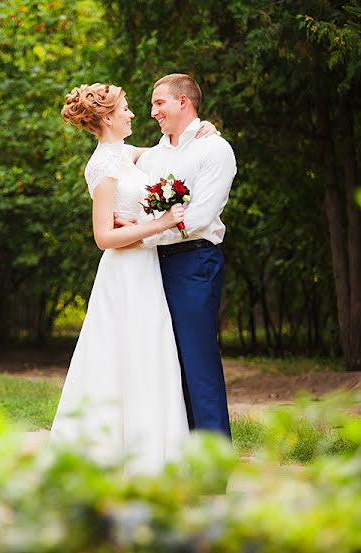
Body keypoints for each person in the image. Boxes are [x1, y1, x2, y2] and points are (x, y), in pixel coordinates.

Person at [49, 83, 215, 475]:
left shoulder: (126, 154)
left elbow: (169, 150)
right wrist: (156, 225)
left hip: (146, 271)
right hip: (124, 274)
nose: (133, 114)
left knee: (149, 355)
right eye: (126, 109)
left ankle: (153, 456)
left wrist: (204, 131)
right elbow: (103, 237)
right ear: (107, 118)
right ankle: (110, 457)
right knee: (121, 357)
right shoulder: (102, 167)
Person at [131, 73, 237, 438]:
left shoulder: (214, 149)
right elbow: (111, 158)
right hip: (148, 267)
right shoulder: (150, 158)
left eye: (159, 102)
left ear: (184, 102)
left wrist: (142, 235)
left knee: (198, 363)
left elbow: (200, 217)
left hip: (194, 263)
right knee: (164, 365)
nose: (153, 111)